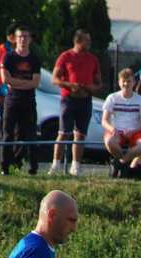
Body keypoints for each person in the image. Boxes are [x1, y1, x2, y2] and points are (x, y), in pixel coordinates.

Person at [50, 30, 101, 176]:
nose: (89, 43)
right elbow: (55, 79)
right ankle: (56, 165)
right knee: (63, 133)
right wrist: (70, 85)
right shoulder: (65, 57)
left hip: (85, 100)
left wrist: (90, 88)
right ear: (78, 41)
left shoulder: (93, 59)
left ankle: (76, 166)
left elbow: (98, 83)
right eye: (87, 40)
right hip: (68, 100)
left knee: (80, 134)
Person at [0, 26, 41, 176]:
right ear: (15, 39)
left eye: (25, 36)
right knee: (7, 134)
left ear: (30, 39)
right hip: (12, 100)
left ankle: (33, 167)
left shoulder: (34, 59)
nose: (23, 39)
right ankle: (4, 166)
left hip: (29, 100)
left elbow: (35, 83)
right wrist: (23, 83)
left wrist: (16, 82)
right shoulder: (8, 57)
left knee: (30, 134)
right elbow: (6, 80)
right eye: (20, 36)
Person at [102, 68, 141, 179]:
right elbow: (104, 121)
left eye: (129, 81)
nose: (126, 84)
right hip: (116, 131)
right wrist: (112, 129)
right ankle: (124, 165)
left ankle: (120, 164)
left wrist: (133, 131)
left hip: (135, 132)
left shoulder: (140, 100)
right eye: (123, 81)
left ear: (134, 83)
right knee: (109, 141)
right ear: (119, 82)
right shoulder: (112, 98)